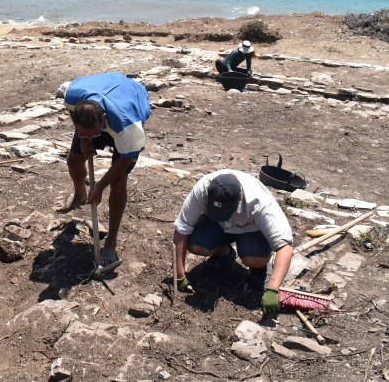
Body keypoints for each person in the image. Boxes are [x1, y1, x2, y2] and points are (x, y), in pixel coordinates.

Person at [57, 71, 151, 269]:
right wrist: (84, 138)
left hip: (126, 102)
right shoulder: (72, 96)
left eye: (94, 133)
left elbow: (126, 159)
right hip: (97, 101)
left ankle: (110, 245)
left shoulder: (128, 125)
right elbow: (73, 112)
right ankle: (80, 194)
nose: (91, 137)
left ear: (104, 119)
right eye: (84, 131)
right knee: (74, 159)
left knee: (118, 181)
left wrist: (99, 186)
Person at [172, 170, 294, 317]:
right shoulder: (204, 188)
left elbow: (285, 247)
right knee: (196, 244)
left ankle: (259, 269)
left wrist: (273, 288)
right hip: (218, 225)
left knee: (253, 259)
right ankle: (224, 254)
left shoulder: (261, 204)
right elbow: (182, 228)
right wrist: (179, 274)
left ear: (240, 198)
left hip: (250, 229)